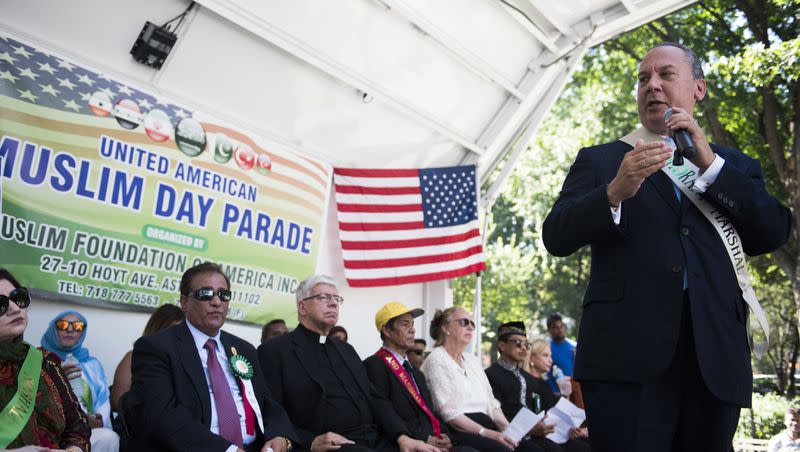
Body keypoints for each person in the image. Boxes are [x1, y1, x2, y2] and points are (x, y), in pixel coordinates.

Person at [542, 42, 792, 452]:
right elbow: (555, 236)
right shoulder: (603, 161)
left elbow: (773, 232)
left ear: (698, 88)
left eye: (665, 75)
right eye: (643, 79)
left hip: (714, 358)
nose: (652, 85)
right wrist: (612, 194)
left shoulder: (734, 166)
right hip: (624, 362)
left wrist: (710, 167)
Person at [126, 262, 297, 452]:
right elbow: (162, 416)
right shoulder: (157, 347)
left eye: (223, 295)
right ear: (184, 302)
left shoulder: (243, 349)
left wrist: (280, 436)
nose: (217, 302)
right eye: (206, 294)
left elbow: (266, 403)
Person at [258, 275, 438, 452]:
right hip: (331, 444)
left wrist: (403, 436)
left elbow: (375, 399)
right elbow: (271, 412)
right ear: (302, 307)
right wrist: (310, 441)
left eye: (336, 298)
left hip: (375, 439)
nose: (333, 303)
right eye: (323, 297)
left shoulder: (346, 350)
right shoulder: (275, 351)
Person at [422, 307, 546, 452]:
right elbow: (450, 415)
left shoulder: (472, 360)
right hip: (458, 430)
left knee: (531, 449)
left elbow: (492, 404)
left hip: (486, 423)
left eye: (472, 324)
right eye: (464, 322)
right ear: (446, 328)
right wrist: (488, 433)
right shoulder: (436, 358)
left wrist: (508, 430)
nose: (470, 326)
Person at [363, 302, 475, 452]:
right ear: (387, 331)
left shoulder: (416, 372)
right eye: (405, 324)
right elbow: (383, 411)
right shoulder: (375, 364)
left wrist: (446, 436)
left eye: (412, 324)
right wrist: (423, 438)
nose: (413, 329)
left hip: (432, 441)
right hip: (404, 443)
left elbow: (430, 409)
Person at [0, 268, 90, 451]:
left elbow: (77, 427)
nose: (16, 308)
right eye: (0, 305)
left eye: (18, 297)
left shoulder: (44, 362)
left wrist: (73, 450)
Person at [40, 311, 120, 452]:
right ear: (53, 329)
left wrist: (98, 419)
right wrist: (57, 378)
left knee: (109, 437)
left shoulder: (92, 364)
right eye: (63, 325)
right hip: (51, 430)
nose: (70, 330)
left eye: (77, 326)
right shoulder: (38, 360)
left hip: (87, 429)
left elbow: (102, 398)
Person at [110, 303, 185, 413]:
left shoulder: (187, 359)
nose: (176, 336)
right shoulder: (132, 357)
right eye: (172, 330)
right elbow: (116, 402)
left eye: (181, 331)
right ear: (157, 328)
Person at [526, 338, 590, 449]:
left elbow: (556, 410)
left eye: (550, 356)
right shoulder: (527, 382)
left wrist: (566, 395)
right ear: (531, 357)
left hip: (558, 434)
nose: (550, 360)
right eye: (545, 356)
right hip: (541, 436)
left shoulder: (544, 383)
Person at [544, 314, 575, 397]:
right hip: (555, 395)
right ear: (549, 330)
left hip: (574, 394)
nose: (560, 329)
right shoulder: (546, 349)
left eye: (561, 326)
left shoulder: (573, 347)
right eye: (555, 327)